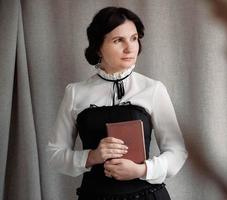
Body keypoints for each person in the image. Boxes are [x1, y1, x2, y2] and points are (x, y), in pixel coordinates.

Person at [47, 6, 188, 200]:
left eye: (134, 38)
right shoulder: (75, 92)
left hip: (147, 196)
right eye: (118, 40)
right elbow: (54, 155)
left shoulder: (153, 89)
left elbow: (177, 152)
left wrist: (142, 170)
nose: (130, 48)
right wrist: (92, 156)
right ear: (98, 47)